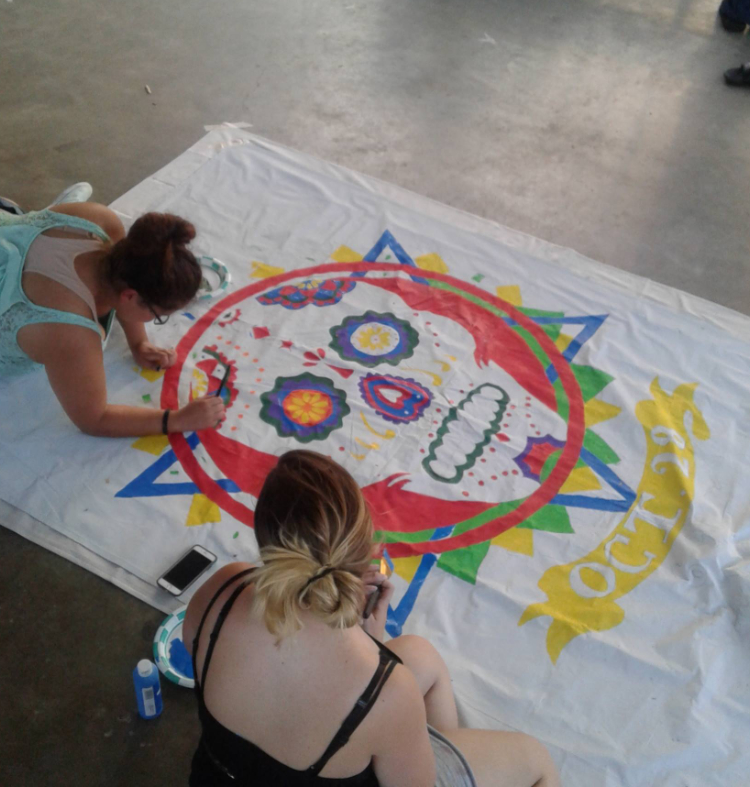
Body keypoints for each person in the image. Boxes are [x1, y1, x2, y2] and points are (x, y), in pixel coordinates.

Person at [183, 450, 561, 787]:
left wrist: (367, 643)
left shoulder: (223, 587)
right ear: (362, 548)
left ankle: (427, 749)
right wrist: (369, 652)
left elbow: (287, 670)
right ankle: (426, 752)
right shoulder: (388, 691)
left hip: (220, 774)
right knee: (536, 760)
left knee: (419, 652)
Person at [0, 183, 225, 436]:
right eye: (158, 316)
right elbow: (95, 419)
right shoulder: (70, 332)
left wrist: (139, 342)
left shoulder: (96, 219)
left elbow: (124, 277)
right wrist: (177, 420)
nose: (154, 321)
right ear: (131, 295)